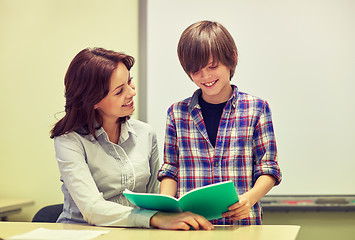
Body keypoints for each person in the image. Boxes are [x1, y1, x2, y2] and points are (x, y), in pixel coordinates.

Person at [50, 47, 213, 230]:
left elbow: (153, 200)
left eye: (129, 81)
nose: (131, 92)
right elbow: (92, 209)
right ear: (93, 101)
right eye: (119, 91)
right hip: (82, 234)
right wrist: (155, 218)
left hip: (134, 234)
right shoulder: (69, 141)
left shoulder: (145, 133)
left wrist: (169, 215)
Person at [158, 21, 282, 225]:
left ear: (232, 58)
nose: (205, 77)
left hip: (242, 226)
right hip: (191, 227)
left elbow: (268, 168)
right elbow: (171, 169)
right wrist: (168, 206)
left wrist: (248, 199)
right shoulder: (176, 113)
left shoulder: (257, 108)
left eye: (212, 66)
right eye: (196, 71)